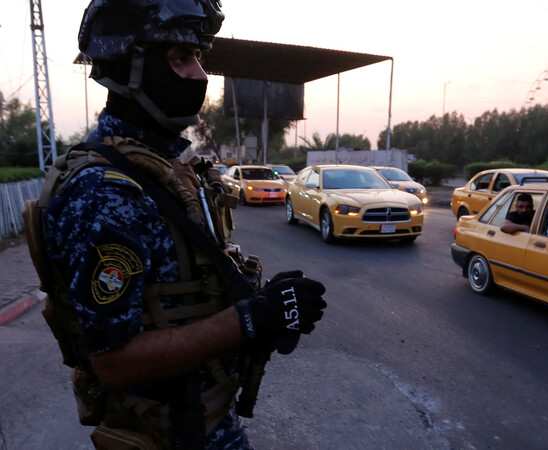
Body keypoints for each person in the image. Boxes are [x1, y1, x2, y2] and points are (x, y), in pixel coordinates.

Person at [26, 1, 326, 448]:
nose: (200, 74)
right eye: (180, 59)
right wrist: (249, 320)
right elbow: (113, 361)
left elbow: (186, 294)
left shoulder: (164, 168)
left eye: (199, 57)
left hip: (204, 423)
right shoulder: (107, 193)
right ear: (131, 69)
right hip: (167, 435)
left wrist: (260, 301)